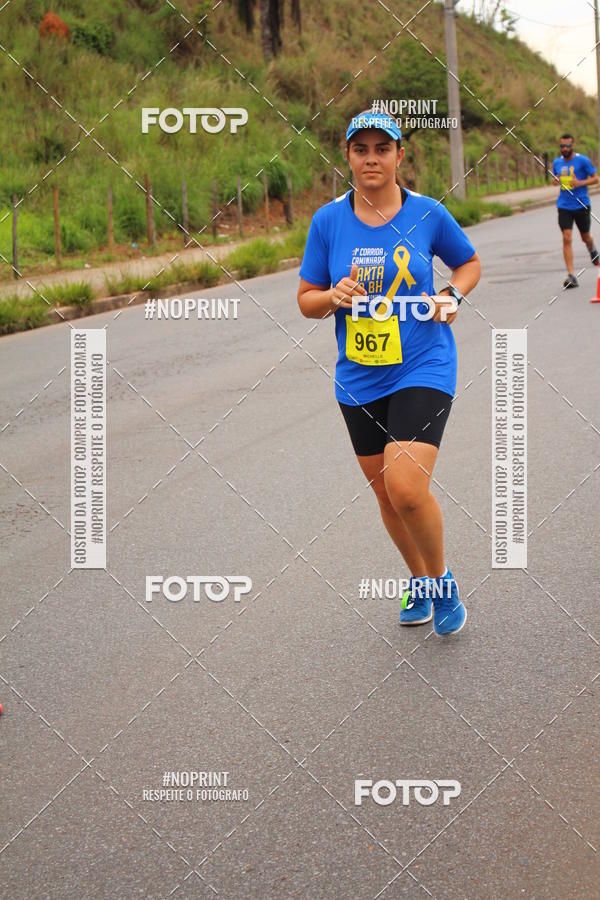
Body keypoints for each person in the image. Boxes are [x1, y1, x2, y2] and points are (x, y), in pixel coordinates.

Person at [297, 111, 481, 636]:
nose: (371, 158)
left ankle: (441, 583)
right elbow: (306, 300)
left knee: (405, 487)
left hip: (424, 364)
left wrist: (452, 293)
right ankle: (419, 581)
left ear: (401, 155)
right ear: (347, 156)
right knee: (384, 494)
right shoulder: (328, 222)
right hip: (359, 376)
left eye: (383, 148)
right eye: (361, 149)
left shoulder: (428, 213)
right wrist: (331, 297)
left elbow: (468, 263)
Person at [551, 133, 599, 289]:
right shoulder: (557, 162)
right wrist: (555, 180)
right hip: (564, 205)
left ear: (573, 146)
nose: (564, 149)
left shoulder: (582, 160)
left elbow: (595, 178)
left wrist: (580, 183)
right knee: (567, 237)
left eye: (567, 146)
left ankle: (592, 248)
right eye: (562, 146)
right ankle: (571, 275)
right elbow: (555, 178)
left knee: (585, 236)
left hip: (581, 204)